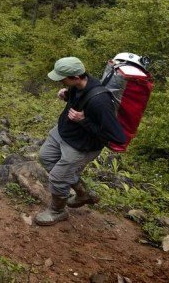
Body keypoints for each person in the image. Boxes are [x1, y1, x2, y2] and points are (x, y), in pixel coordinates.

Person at [35, 56, 127, 226]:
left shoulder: (100, 101)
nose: (60, 81)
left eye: (62, 79)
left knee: (58, 177)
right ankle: (82, 193)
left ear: (76, 77)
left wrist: (83, 120)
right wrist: (67, 95)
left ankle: (57, 211)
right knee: (46, 157)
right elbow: (79, 100)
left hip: (81, 146)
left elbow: (117, 136)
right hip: (63, 133)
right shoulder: (77, 86)